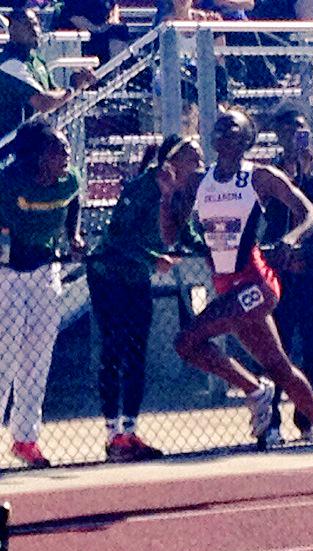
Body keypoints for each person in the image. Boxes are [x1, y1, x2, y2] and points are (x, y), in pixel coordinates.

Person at [157, 107, 313, 486]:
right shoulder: (200, 182)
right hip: (227, 285)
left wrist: (290, 240)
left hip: (257, 283)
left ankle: (253, 388)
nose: (221, 131)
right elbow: (169, 235)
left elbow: (310, 213)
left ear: (246, 139)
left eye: (231, 127)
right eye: (217, 127)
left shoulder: (260, 177)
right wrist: (169, 197)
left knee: (187, 340)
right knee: (280, 368)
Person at [86, 135, 203, 462]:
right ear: (174, 160)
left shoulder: (181, 194)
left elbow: (186, 233)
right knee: (113, 349)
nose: (199, 163)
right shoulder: (142, 188)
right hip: (109, 275)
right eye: (193, 157)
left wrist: (210, 252)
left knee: (137, 351)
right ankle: (112, 435)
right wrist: (154, 258)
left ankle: (130, 429)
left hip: (136, 279)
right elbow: (118, 236)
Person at [0, 123, 86, 469]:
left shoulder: (69, 179)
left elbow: (73, 199)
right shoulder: (10, 181)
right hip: (8, 273)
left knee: (37, 356)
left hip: (44, 271)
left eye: (66, 150)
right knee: (4, 356)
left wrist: (73, 235)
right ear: (37, 155)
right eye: (57, 150)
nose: (65, 155)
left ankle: (25, 439)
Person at [264, 104, 313, 446]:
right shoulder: (270, 172)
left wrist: (309, 177)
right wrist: (288, 176)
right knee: (277, 347)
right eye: (286, 132)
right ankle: (271, 421)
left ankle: (310, 419)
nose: (293, 138)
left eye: (299, 130)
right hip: (283, 271)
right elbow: (268, 211)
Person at [0, 7, 95, 140]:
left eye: (36, 24)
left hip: (30, 142)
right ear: (12, 30)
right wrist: (72, 88)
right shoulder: (8, 63)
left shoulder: (37, 61)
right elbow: (43, 102)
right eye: (27, 25)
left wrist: (81, 82)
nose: (35, 30)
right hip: (8, 143)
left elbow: (56, 97)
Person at [52, 0, 133, 64]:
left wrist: (113, 19)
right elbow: (72, 15)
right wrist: (96, 29)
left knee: (119, 30)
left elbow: (114, 6)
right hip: (81, 33)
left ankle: (115, 70)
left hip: (105, 29)